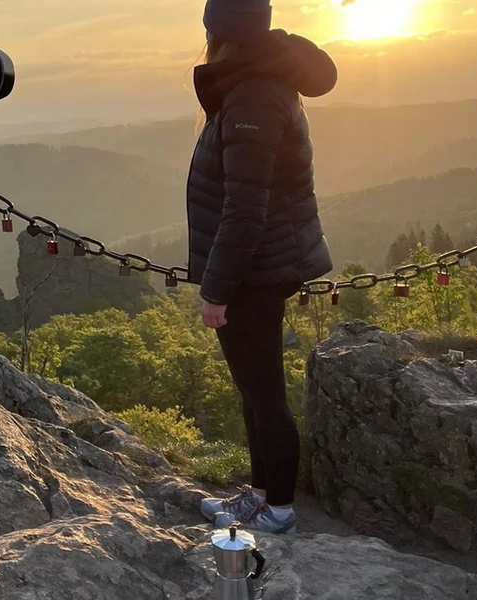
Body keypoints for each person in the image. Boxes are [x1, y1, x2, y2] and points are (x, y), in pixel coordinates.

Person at [187, 0, 337, 535]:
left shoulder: (252, 93)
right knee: (256, 390)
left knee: (266, 394)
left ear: (219, 34)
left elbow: (245, 207)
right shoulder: (258, 81)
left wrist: (217, 290)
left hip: (256, 269)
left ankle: (277, 508)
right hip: (262, 263)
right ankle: (258, 495)